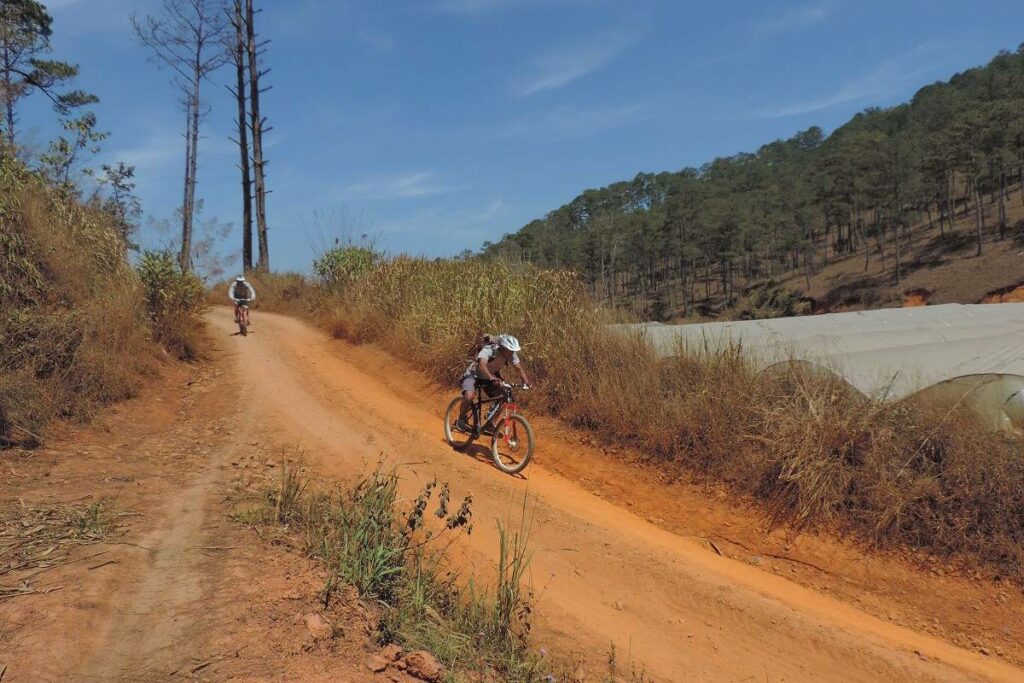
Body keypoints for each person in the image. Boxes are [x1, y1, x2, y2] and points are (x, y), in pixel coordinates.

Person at [455, 333, 531, 433]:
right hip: (473, 375)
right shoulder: (489, 349)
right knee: (469, 396)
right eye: (510, 350)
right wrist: (492, 378)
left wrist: (527, 382)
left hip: (488, 378)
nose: (512, 353)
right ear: (503, 347)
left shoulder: (511, 354)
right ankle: (460, 419)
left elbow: (519, 368)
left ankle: (490, 424)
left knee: (503, 397)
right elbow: (482, 366)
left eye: (513, 351)